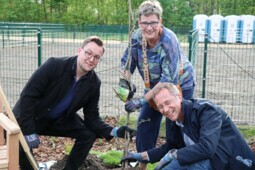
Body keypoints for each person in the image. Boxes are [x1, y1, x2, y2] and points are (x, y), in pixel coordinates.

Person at [13, 36, 136, 170]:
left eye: (96, 57)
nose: (91, 59)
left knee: (88, 135)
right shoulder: (54, 65)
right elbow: (27, 97)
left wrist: (115, 131)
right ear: (79, 51)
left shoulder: (94, 83)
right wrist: (29, 131)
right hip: (30, 116)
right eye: (88, 53)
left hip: (58, 120)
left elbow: (92, 118)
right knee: (20, 147)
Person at [120, 0, 195, 169]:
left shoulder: (169, 40)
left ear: (160, 21)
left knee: (175, 126)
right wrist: (124, 85)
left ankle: (176, 164)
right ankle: (142, 166)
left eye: (153, 22)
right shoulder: (137, 37)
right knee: (145, 125)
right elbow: (127, 63)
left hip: (179, 85)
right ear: (139, 22)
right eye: (144, 23)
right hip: (153, 86)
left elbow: (167, 81)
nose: (148, 28)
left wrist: (140, 101)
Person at [121, 82, 255, 170]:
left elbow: (207, 148)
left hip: (234, 164)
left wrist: (173, 156)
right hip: (210, 162)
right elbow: (170, 147)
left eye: (168, 102)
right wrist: (140, 156)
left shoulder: (206, 111)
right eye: (161, 106)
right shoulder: (172, 118)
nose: (165, 109)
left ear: (179, 97)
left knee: (174, 165)